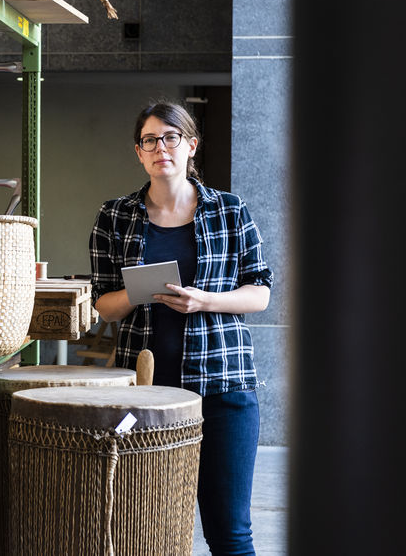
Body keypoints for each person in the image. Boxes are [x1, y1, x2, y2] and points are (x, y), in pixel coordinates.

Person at [88, 101, 272, 556]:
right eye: (149, 140)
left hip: (223, 387)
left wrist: (202, 300)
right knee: (140, 530)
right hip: (145, 395)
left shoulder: (230, 211)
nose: (160, 148)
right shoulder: (114, 216)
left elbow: (261, 293)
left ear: (191, 146)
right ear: (139, 152)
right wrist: (138, 291)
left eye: (170, 138)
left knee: (229, 532)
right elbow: (104, 306)